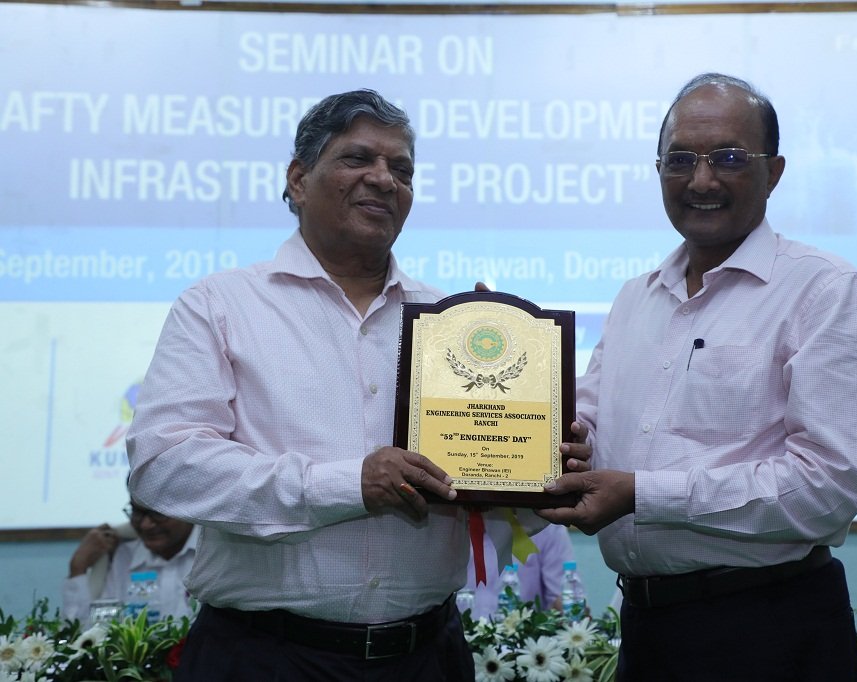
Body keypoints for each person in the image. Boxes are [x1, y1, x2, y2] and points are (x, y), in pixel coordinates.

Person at [126, 89, 590, 681]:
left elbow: (486, 502)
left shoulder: (454, 325)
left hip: (429, 655)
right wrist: (349, 482)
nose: (384, 179)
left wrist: (536, 469)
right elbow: (164, 467)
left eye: (402, 169)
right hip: (265, 657)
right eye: (357, 159)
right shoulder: (220, 305)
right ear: (298, 179)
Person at [539, 73, 857, 681]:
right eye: (681, 160)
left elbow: (827, 490)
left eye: (729, 158)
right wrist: (541, 443)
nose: (701, 180)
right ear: (658, 170)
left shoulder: (825, 292)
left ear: (774, 172)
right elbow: (588, 428)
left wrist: (642, 494)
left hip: (771, 630)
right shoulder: (635, 299)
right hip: (648, 630)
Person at [62, 500, 197, 624]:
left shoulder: (213, 554)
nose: (145, 525)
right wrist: (78, 568)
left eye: (157, 514)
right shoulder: (124, 555)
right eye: (137, 512)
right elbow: (93, 632)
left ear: (188, 507)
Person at [459, 524, 579, 619]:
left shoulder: (546, 526)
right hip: (455, 639)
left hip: (522, 642)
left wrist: (573, 611)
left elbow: (562, 598)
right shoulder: (449, 524)